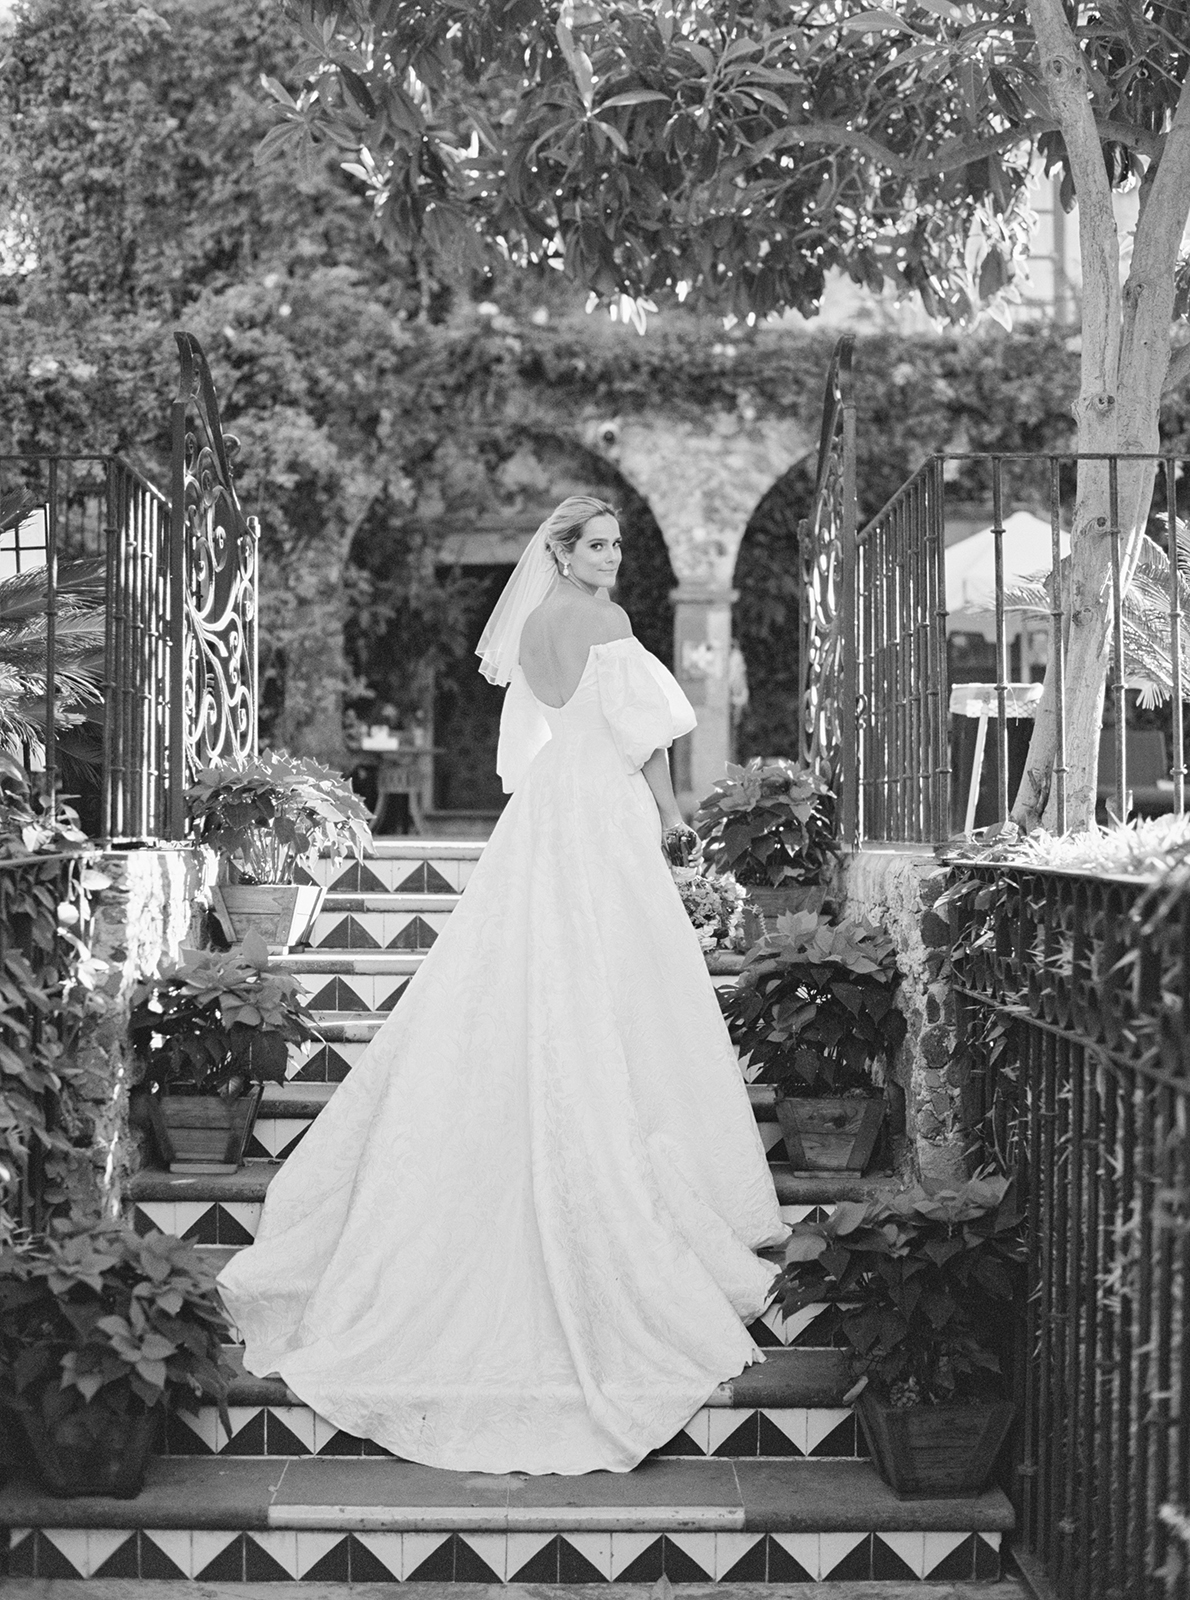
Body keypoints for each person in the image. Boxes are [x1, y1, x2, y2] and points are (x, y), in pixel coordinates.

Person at [217, 495, 786, 1476]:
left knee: (532, 956)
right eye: (596, 543)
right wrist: (665, 813)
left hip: (545, 807)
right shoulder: (605, 622)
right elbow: (642, 737)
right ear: (561, 552)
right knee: (615, 966)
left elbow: (534, 734)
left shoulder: (528, 626)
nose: (610, 557)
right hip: (600, 804)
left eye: (612, 543)